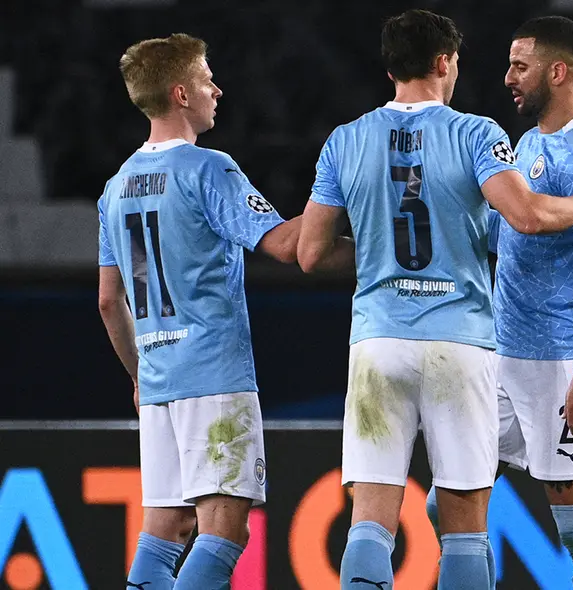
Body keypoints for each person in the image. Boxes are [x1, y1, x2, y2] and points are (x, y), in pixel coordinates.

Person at [296, 9, 573, 589]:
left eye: (521, 65)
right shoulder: (479, 134)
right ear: (444, 62)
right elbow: (526, 216)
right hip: (463, 344)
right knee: (463, 526)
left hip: (382, 341)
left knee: (370, 525)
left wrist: (378, 252)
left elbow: (311, 252)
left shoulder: (344, 139)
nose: (506, 77)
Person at [426, 15, 573, 589]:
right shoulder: (532, 140)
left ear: (557, 71)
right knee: (449, 506)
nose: (508, 77)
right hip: (503, 352)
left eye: (521, 66)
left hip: (560, 362)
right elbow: (505, 233)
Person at [97, 33, 302, 590]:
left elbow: (108, 301)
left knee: (163, 528)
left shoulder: (114, 189)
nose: (218, 88)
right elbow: (284, 244)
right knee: (224, 531)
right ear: (181, 93)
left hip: (159, 381)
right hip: (213, 372)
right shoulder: (208, 169)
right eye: (208, 77)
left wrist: (140, 376)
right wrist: (346, 207)